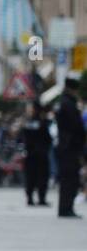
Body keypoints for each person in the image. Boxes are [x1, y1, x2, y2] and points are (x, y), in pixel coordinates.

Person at [55, 78, 84, 218]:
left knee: (67, 179)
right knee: (70, 179)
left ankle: (65, 207)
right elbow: (75, 128)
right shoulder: (70, 105)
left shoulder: (62, 103)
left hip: (65, 146)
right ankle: (66, 208)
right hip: (70, 147)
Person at [21, 101, 51, 207]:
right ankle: (36, 198)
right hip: (38, 154)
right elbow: (48, 138)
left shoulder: (27, 122)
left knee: (33, 176)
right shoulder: (43, 122)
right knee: (37, 176)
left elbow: (24, 137)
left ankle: (34, 198)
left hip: (32, 154)